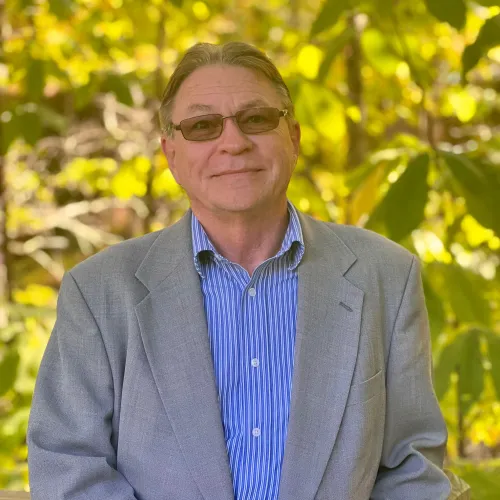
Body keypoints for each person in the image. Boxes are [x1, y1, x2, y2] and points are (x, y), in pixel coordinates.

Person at [27, 41, 451, 500]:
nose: (233, 142)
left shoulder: (386, 276)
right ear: (171, 154)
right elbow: (67, 463)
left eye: (256, 119)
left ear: (294, 137)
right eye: (203, 126)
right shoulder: (98, 292)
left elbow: (413, 467)